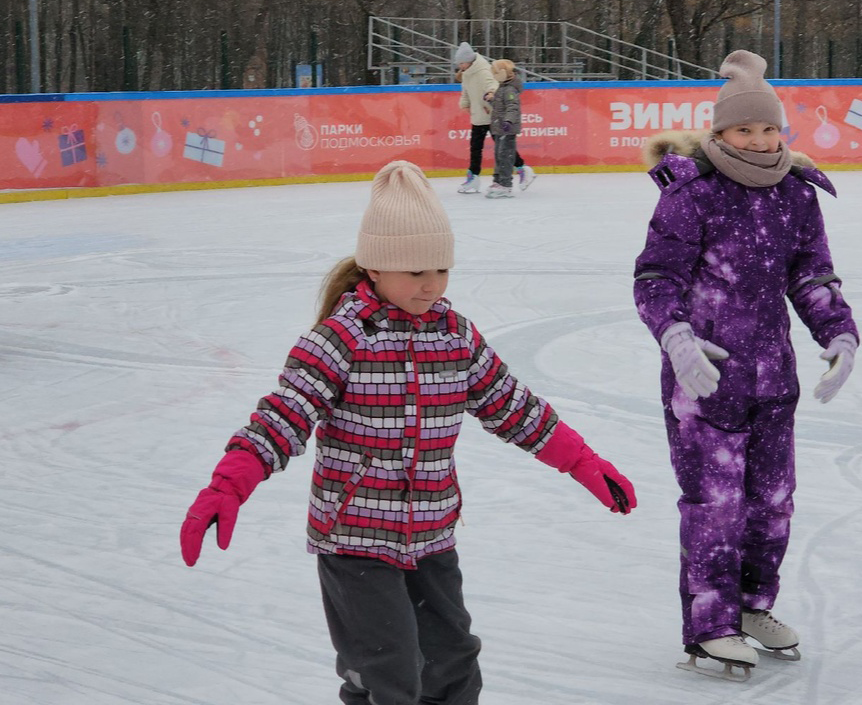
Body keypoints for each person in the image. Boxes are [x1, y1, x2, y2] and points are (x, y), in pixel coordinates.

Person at [181, 160, 636, 704]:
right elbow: (283, 416)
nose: (431, 285)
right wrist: (226, 486)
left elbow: (514, 407)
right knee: (388, 671)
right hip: (354, 538)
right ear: (374, 267)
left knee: (454, 665)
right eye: (415, 271)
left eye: (441, 270)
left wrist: (584, 462)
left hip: (431, 534)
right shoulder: (341, 340)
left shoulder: (456, 336)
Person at [632, 50, 859, 681]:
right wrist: (676, 337)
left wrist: (840, 333)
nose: (759, 141)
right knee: (713, 503)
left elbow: (811, 275)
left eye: (768, 128)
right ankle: (710, 626)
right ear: (720, 134)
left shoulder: (795, 196)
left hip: (773, 378)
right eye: (744, 130)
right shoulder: (691, 195)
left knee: (773, 502)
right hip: (704, 380)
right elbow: (655, 277)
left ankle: (755, 608)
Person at [454, 42, 535, 194]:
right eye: (459, 64)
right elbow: (465, 91)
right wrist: (465, 103)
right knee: (476, 147)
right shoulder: (466, 74)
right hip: (478, 115)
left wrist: (490, 95)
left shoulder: (483, 70)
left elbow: (494, 86)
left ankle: (522, 169)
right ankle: (474, 177)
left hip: (491, 114)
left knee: (502, 149)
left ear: (470, 61)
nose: (461, 66)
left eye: (462, 63)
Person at [485, 59, 526, 199]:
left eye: (495, 72)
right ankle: (498, 181)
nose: (493, 75)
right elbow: (500, 105)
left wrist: (508, 120)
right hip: (499, 128)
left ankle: (506, 184)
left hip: (507, 129)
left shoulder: (509, 89)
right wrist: (490, 100)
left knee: (505, 156)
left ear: (503, 73)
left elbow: (512, 107)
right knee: (498, 155)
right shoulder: (502, 87)